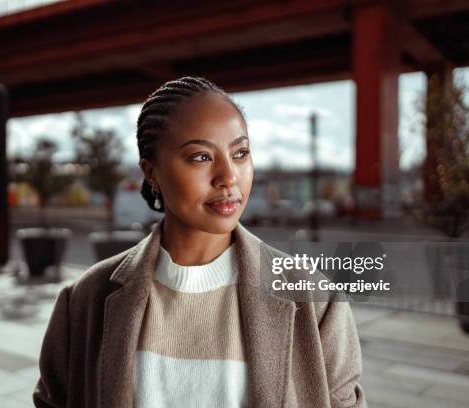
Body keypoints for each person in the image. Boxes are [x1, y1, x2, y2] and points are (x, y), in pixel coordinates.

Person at [33, 76, 366, 407]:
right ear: (151, 172)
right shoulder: (83, 301)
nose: (228, 177)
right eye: (201, 157)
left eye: (240, 153)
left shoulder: (318, 302)